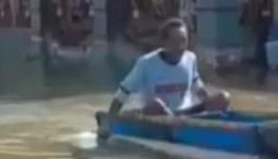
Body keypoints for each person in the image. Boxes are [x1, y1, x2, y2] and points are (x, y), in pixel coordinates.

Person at [98, 18, 230, 139]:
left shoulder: (191, 58)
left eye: (183, 40)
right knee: (156, 105)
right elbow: (123, 92)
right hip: (158, 115)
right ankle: (178, 133)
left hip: (186, 114)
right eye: (174, 42)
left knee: (223, 97)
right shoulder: (146, 63)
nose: (180, 47)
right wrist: (109, 122)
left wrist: (209, 105)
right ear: (164, 42)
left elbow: (197, 86)